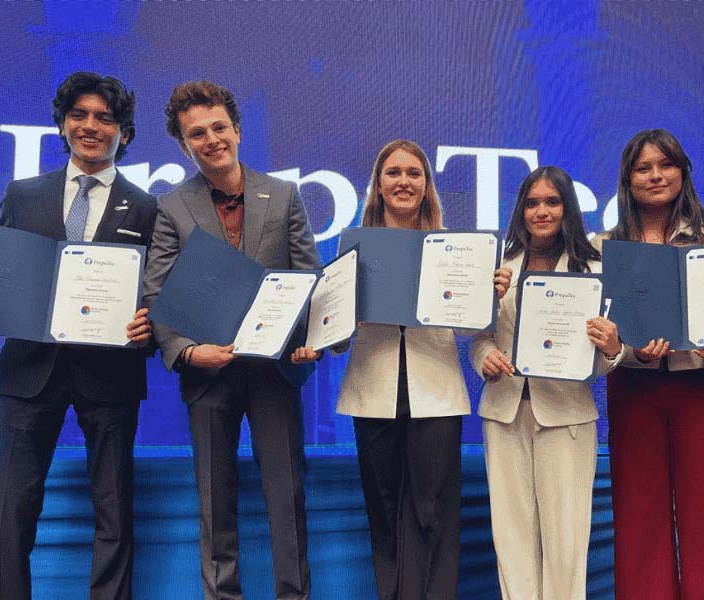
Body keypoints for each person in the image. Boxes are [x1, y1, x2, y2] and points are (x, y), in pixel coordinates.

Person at [0, 71, 155, 600]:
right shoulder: (23, 194)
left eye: (105, 117)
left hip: (111, 374)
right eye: (79, 115)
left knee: (114, 512)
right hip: (29, 371)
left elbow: (156, 291)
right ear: (61, 124)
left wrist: (152, 319)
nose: (90, 126)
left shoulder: (147, 206)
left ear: (123, 131)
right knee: (11, 510)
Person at [292, 139, 509, 600]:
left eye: (414, 173)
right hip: (373, 392)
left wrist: (489, 292)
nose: (404, 181)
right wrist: (336, 327)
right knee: (385, 511)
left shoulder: (456, 249)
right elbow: (335, 336)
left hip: (437, 392)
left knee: (433, 514)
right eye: (394, 173)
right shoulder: (351, 250)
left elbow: (473, 329)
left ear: (427, 184)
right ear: (378, 185)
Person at [142, 80, 320, 600]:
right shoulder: (172, 207)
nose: (212, 139)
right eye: (197, 133)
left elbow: (307, 278)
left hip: (274, 373)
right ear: (184, 145)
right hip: (208, 375)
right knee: (214, 504)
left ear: (237, 131)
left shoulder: (283, 195)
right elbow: (158, 293)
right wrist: (188, 351)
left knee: (287, 501)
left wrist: (307, 340)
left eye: (219, 127)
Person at [593, 129, 704, 600]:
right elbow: (599, 334)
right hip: (634, 394)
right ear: (627, 179)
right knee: (641, 522)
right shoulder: (603, 248)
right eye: (643, 168)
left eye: (666, 165)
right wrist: (623, 349)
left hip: (701, 391)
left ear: (682, 172)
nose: (655, 176)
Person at [470, 166, 623, 600]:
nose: (541, 211)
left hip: (566, 415)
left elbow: (608, 355)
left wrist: (613, 348)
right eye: (532, 202)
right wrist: (486, 358)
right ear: (520, 210)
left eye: (552, 202)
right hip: (504, 411)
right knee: (511, 535)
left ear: (567, 208)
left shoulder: (594, 266)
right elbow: (480, 339)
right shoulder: (500, 265)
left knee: (565, 540)